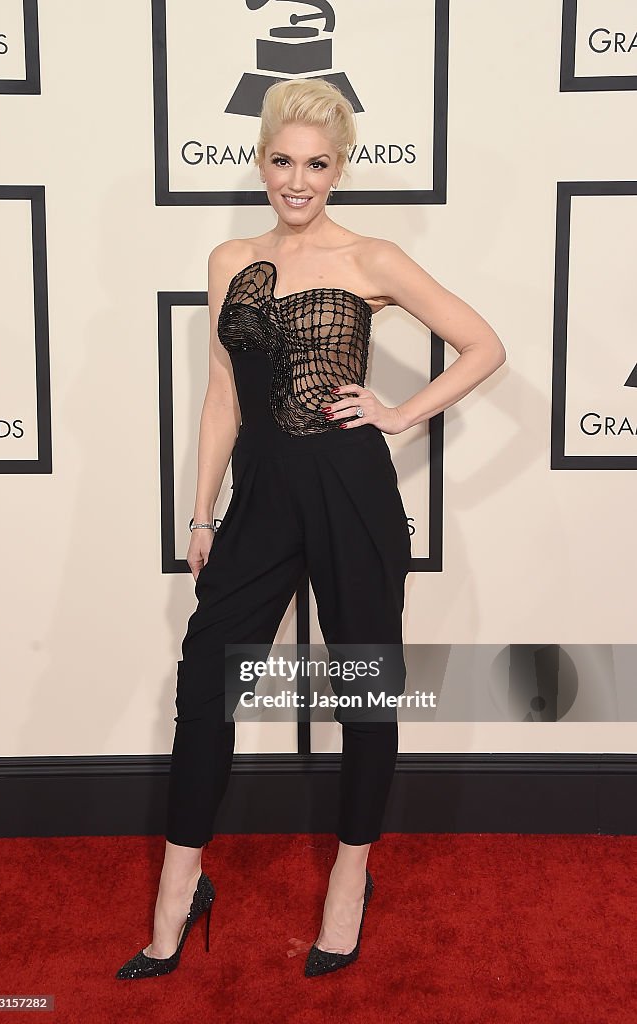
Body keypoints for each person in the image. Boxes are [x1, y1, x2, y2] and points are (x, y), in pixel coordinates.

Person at [116, 78, 506, 981]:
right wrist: (203, 509)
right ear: (260, 161)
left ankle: (349, 878)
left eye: (317, 165)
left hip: (351, 493)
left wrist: (402, 414)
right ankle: (181, 885)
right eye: (283, 161)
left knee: (365, 688)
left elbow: (483, 345)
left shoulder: (372, 258)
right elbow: (221, 396)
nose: (298, 181)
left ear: (340, 169)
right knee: (206, 678)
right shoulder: (228, 259)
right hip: (258, 500)